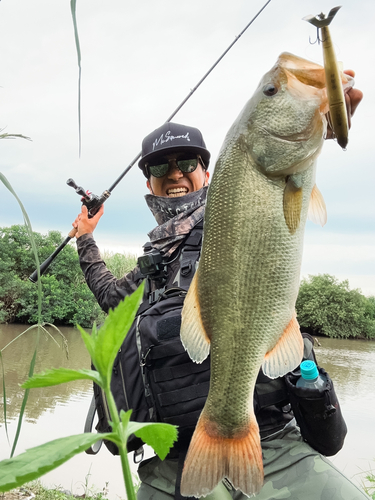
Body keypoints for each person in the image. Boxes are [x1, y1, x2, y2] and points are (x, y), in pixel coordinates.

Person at [73, 80, 367, 500]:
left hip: (270, 443)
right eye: (160, 167)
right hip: (172, 462)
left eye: (187, 162)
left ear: (209, 173)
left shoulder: (231, 208)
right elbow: (110, 298)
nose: (174, 173)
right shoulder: (153, 263)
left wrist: (319, 123)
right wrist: (86, 239)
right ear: (149, 184)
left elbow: (270, 182)